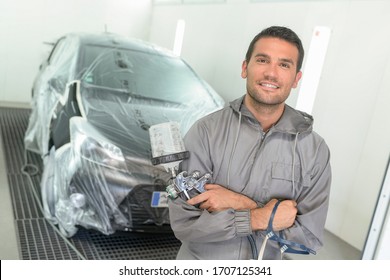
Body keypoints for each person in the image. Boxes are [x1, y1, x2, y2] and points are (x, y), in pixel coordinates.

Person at [168, 25, 332, 260]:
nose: (272, 74)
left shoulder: (314, 150)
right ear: (245, 68)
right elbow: (184, 223)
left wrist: (238, 202)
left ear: (296, 79)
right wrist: (260, 216)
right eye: (263, 60)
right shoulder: (206, 132)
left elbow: (308, 238)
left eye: (284, 64)